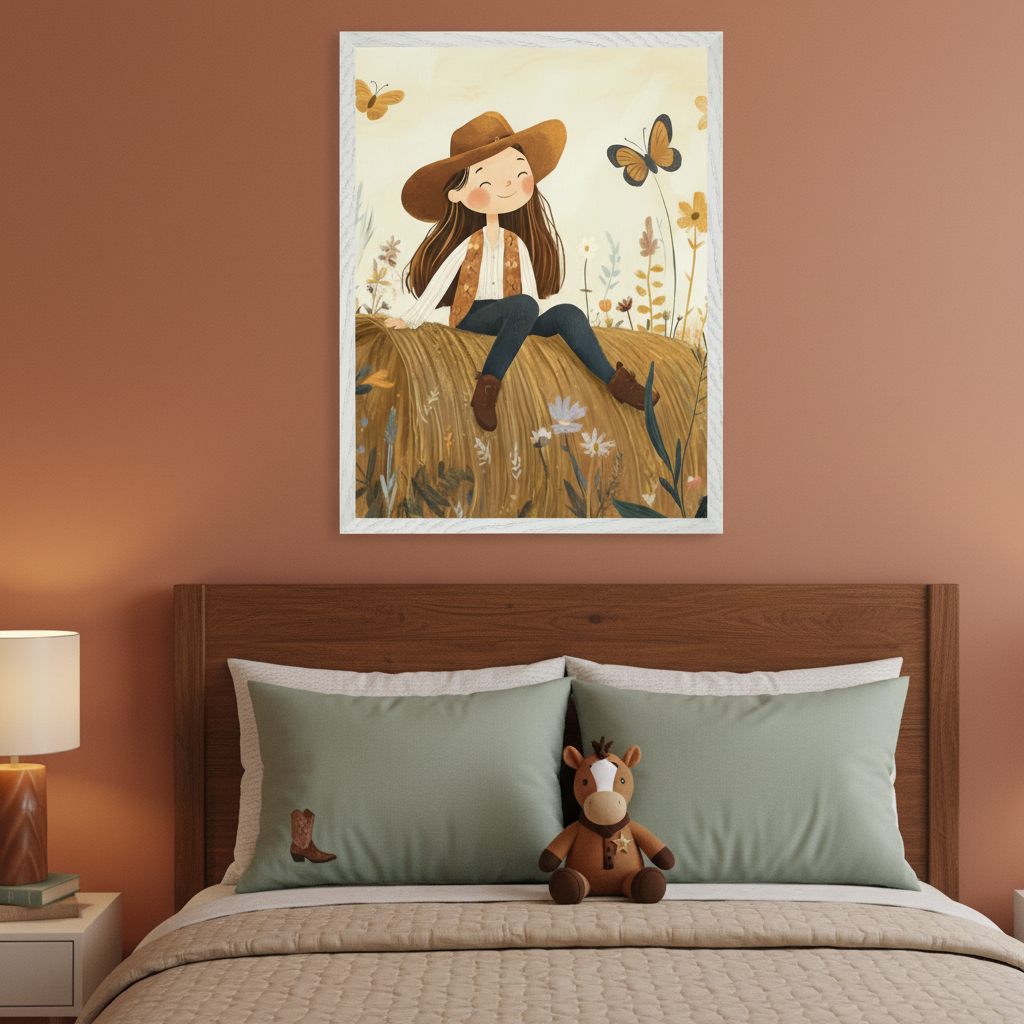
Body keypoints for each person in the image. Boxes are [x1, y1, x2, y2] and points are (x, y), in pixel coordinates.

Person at [383, 111, 658, 432]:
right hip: (473, 314)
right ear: (456, 193)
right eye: (487, 180)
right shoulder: (472, 243)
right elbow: (443, 276)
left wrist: (529, 321)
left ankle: (617, 382)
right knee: (524, 305)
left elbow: (527, 289)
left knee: (567, 313)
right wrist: (411, 318)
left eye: (516, 173)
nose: (508, 185)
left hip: (516, 316)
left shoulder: (517, 243)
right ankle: (486, 390)